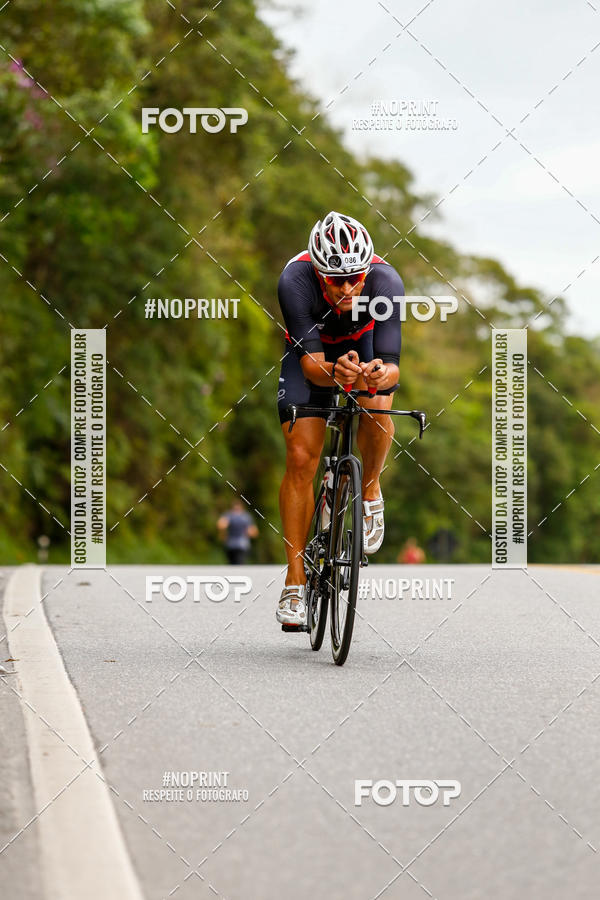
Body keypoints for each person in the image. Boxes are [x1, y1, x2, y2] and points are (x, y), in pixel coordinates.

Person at [276, 211, 403, 626]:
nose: (346, 288)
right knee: (300, 458)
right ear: (317, 271)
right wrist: (336, 372)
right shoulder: (294, 282)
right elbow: (312, 363)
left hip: (365, 348)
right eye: (334, 280)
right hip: (312, 358)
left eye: (355, 278)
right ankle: (295, 582)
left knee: (378, 401)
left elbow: (393, 367)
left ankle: (369, 491)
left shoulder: (386, 284)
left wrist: (378, 373)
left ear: (367, 271)